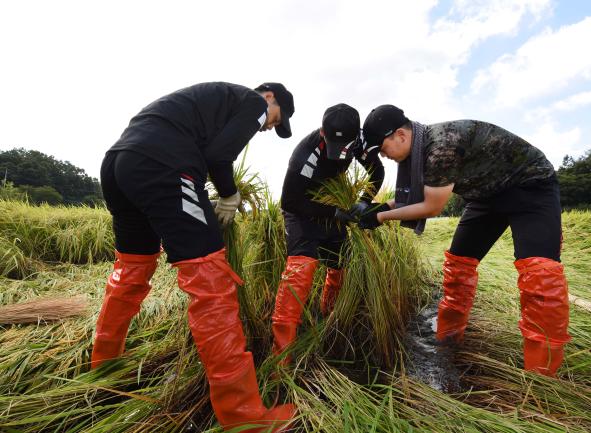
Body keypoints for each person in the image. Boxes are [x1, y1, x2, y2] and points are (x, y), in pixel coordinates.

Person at [93, 82, 296, 432]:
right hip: (164, 165)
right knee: (211, 281)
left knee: (132, 268)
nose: (268, 127)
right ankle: (245, 419)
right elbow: (219, 156)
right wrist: (230, 196)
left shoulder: (210, 101)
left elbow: (208, 149)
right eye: (276, 120)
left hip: (118, 164)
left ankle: (103, 370)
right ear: (270, 99)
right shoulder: (253, 102)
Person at [360, 104, 570, 377]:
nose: (384, 156)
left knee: (540, 278)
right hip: (485, 197)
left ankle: (543, 379)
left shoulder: (441, 146)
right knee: (458, 266)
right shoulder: (421, 150)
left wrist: (380, 218)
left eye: (381, 148)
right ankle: (447, 342)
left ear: (400, 134)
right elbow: (410, 198)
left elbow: (431, 206)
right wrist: (380, 208)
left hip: (530, 188)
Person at [271, 103, 384, 364]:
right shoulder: (305, 154)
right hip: (303, 210)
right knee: (300, 273)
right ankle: (281, 359)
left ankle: (326, 321)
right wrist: (333, 214)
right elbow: (289, 201)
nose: (339, 155)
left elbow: (377, 171)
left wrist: (364, 201)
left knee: (338, 265)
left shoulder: (359, 144)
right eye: (334, 146)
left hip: (332, 207)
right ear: (323, 132)